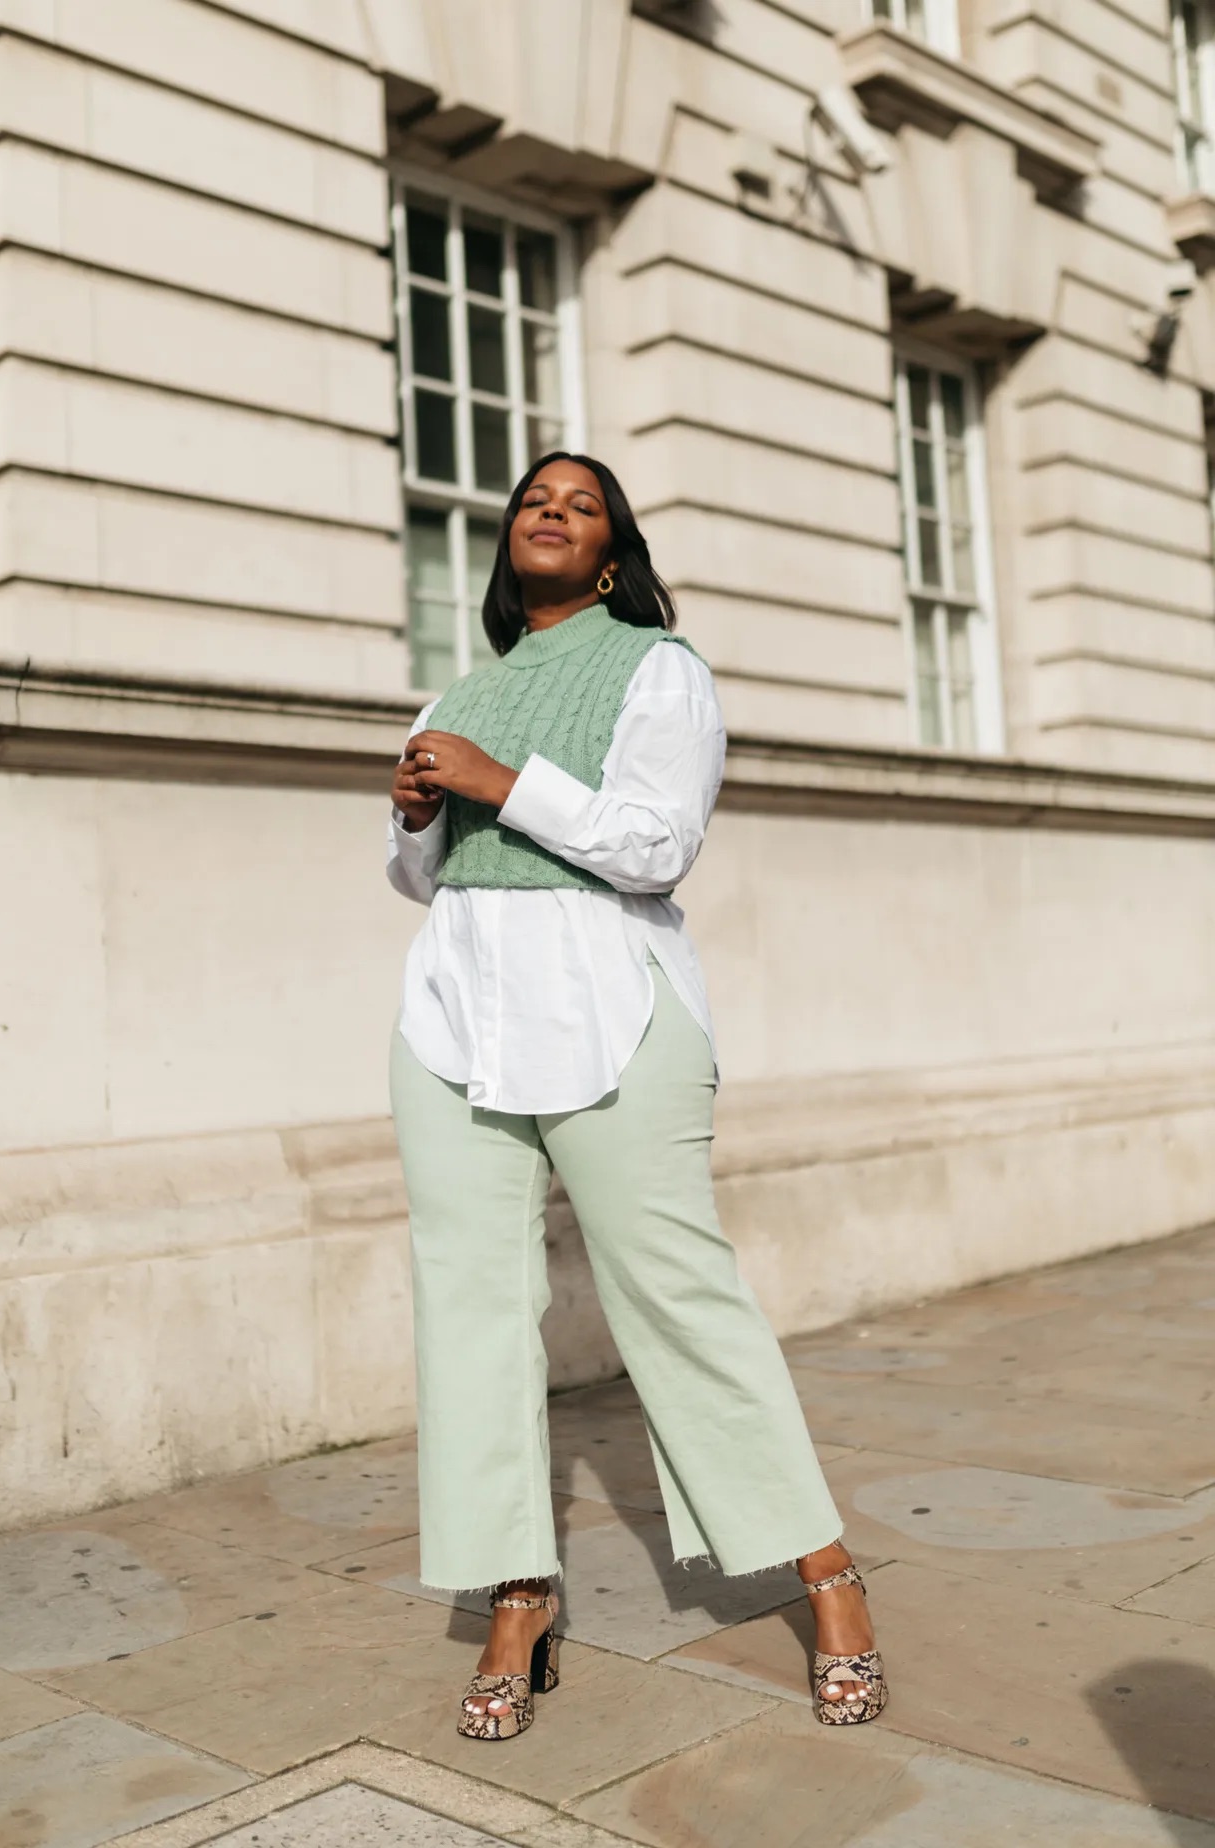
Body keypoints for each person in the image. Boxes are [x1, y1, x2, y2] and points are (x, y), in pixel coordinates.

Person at [386, 452, 886, 1742]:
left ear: (610, 551)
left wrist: (499, 781)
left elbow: (660, 843)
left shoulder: (661, 667)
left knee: (675, 1288)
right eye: (532, 503)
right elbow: (427, 881)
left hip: (610, 1000)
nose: (550, 513)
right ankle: (516, 1591)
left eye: (580, 503)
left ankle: (823, 1571)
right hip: (454, 1014)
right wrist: (418, 817)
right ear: (507, 545)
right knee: (470, 1306)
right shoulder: (467, 686)